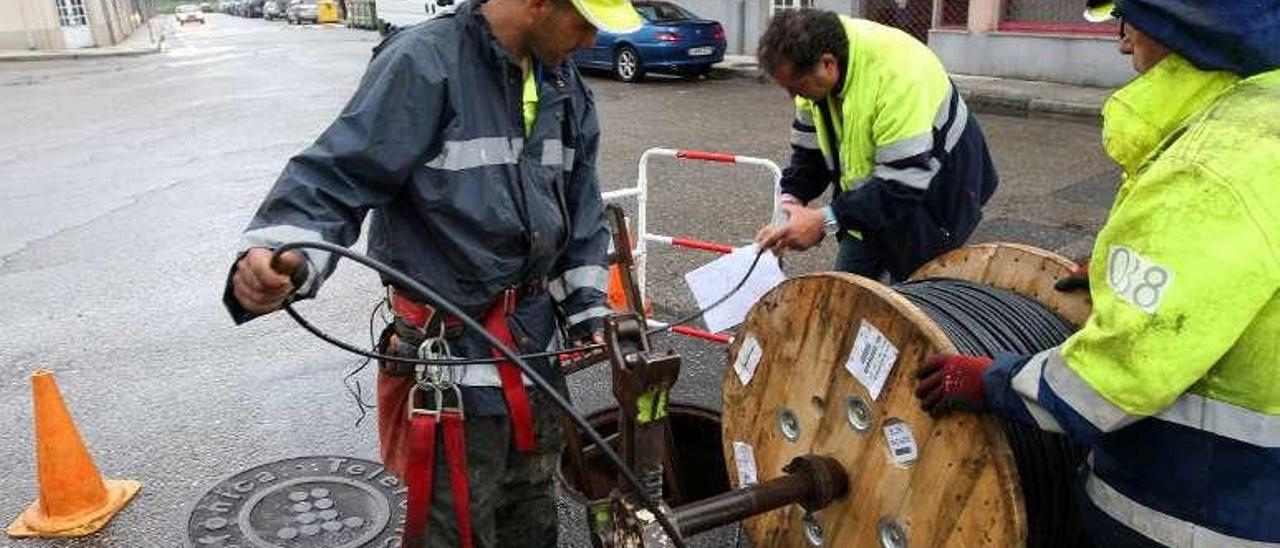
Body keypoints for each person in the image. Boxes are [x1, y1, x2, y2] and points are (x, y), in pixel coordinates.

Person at [221, 0, 643, 544]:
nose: (590, 41)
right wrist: (283, 252)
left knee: (532, 520)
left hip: (535, 363)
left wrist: (589, 313)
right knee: (452, 529)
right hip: (450, 369)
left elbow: (580, 210)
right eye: (585, 21)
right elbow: (337, 174)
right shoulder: (425, 62)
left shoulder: (564, 84)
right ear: (538, 4)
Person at [916, 1, 1280, 546]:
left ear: (1184, 26)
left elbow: (1119, 376)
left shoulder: (1211, 164)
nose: (1123, 41)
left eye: (1131, 21)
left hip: (1195, 512)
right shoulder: (1261, 117)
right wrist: (1130, 273)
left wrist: (989, 381)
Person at [753, 9, 998, 281]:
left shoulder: (898, 76)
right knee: (843, 295)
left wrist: (823, 220)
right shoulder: (812, 72)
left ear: (828, 64)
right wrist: (790, 205)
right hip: (871, 200)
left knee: (911, 303)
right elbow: (809, 156)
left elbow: (903, 183)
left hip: (934, 196)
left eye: (796, 87)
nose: (793, 96)